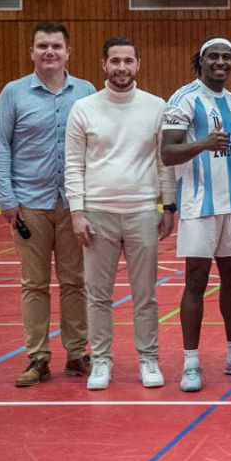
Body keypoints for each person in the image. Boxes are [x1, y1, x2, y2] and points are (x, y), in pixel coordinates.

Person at [64, 36, 174, 391]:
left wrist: (168, 205)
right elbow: (73, 166)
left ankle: (148, 358)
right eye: (115, 61)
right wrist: (77, 212)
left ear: (138, 64)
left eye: (128, 60)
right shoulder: (84, 108)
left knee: (145, 294)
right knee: (98, 295)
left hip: (142, 212)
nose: (122, 67)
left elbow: (164, 163)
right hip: (97, 215)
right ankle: (101, 361)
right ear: (103, 65)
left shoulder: (156, 106)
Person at [0, 21, 96, 387]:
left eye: (56, 46)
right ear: (32, 51)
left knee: (75, 282)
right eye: (42, 46)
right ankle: (37, 357)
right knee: (34, 284)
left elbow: (95, 146)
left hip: (74, 205)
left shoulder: (85, 91)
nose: (49, 52)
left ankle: (78, 354)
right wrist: (6, 197)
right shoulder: (13, 94)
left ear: (68, 51)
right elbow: (0, 146)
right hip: (29, 205)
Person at [160, 37, 231, 392]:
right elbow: (167, 152)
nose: (220, 62)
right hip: (198, 207)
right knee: (196, 282)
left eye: (226, 57)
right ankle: (190, 363)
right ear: (200, 61)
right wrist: (202, 144)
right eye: (213, 56)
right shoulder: (183, 98)